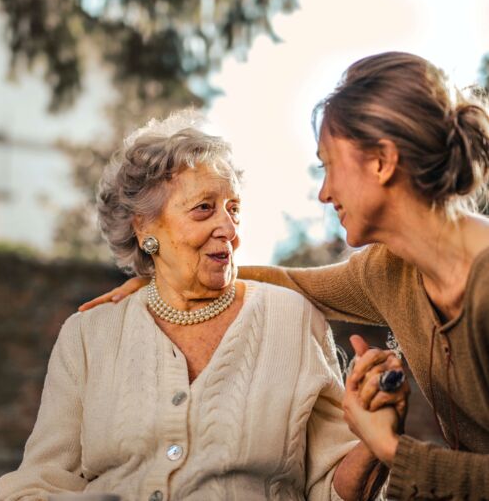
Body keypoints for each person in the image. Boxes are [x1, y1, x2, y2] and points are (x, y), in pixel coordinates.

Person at [85, 52, 489, 499]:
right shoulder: (388, 272)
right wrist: (168, 275)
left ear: (381, 162)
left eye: (328, 164)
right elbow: (292, 282)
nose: (324, 192)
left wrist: (390, 447)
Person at [0, 111, 392, 501]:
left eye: (233, 208)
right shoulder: (87, 335)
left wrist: (375, 442)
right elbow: (37, 484)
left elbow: (332, 488)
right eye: (204, 208)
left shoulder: (293, 319)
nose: (230, 229)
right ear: (144, 227)